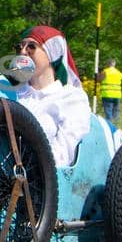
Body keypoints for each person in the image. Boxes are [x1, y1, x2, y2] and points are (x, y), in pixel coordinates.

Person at [12, 24, 93, 167]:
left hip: (45, 180)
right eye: (19, 47)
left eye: (31, 47)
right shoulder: (14, 95)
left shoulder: (71, 98)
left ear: (52, 54)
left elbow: (63, 155)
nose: (23, 52)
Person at [99, 58, 122, 126]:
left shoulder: (105, 72)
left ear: (108, 64)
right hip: (117, 95)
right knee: (116, 111)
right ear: (114, 64)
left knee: (108, 111)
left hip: (107, 94)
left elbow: (99, 79)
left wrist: (97, 75)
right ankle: (116, 125)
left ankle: (109, 126)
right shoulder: (119, 73)